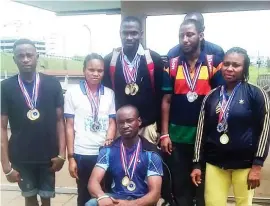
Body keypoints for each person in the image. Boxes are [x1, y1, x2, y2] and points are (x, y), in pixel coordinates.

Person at [191, 47, 270, 206]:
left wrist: (257, 165)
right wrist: (197, 163)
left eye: (236, 65)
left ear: (244, 68)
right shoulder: (211, 96)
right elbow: (201, 131)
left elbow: (265, 130)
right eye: (226, 64)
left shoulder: (256, 94)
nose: (230, 68)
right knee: (213, 203)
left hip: (245, 165)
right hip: (215, 164)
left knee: (243, 204)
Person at [160, 19, 224, 206]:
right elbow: (166, 100)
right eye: (182, 36)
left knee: (203, 190)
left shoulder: (214, 63)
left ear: (201, 36)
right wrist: (164, 134)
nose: (185, 39)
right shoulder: (171, 65)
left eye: (190, 34)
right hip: (177, 138)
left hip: (204, 138)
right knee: (180, 188)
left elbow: (221, 99)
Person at [1, 39, 66, 206]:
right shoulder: (5, 87)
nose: (25, 59)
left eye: (29, 55)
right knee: (29, 198)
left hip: (49, 157)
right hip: (21, 156)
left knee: (46, 198)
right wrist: (6, 166)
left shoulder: (53, 84)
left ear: (37, 57)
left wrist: (61, 154)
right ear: (14, 59)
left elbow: (60, 121)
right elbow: (1, 127)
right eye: (20, 56)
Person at [64, 53, 116, 206]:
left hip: (104, 152)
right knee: (84, 192)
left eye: (100, 71)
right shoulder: (72, 93)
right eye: (91, 70)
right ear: (84, 70)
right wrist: (71, 157)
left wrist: (110, 138)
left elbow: (112, 121)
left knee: (104, 192)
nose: (95, 74)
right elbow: (69, 126)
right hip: (82, 153)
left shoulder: (109, 93)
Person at [85, 105, 163, 206]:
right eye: (121, 122)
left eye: (129, 120)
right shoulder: (108, 151)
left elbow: (154, 194)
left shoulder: (151, 154)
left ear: (139, 121)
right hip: (116, 198)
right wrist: (102, 196)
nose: (125, 125)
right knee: (91, 204)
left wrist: (128, 204)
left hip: (142, 200)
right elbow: (93, 182)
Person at [103, 16, 164, 144]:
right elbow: (107, 97)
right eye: (125, 33)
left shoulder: (154, 59)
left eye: (134, 33)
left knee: (147, 162)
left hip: (147, 127)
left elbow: (160, 96)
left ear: (141, 34)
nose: (129, 37)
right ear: (120, 34)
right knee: (121, 163)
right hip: (121, 127)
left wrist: (160, 129)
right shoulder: (110, 60)